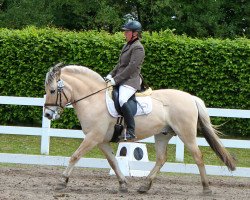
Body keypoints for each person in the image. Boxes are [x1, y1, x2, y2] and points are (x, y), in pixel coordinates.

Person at [105, 20, 145, 140]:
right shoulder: (127, 45)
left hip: (131, 81)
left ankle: (131, 130)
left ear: (135, 34)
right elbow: (120, 65)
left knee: (122, 99)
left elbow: (131, 68)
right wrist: (110, 75)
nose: (125, 34)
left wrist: (116, 80)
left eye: (127, 32)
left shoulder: (138, 48)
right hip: (121, 79)